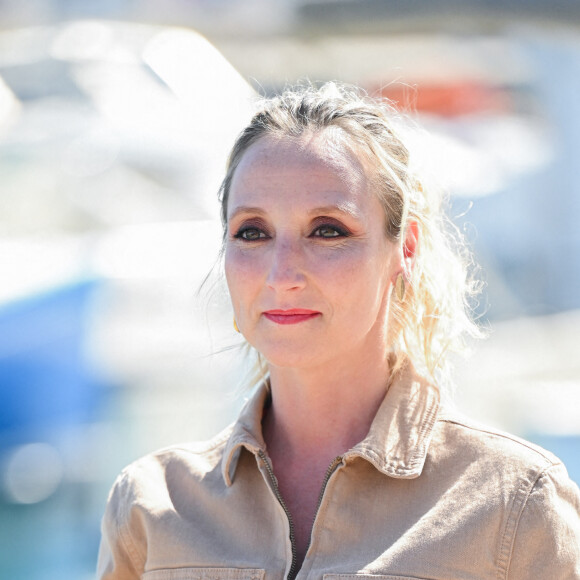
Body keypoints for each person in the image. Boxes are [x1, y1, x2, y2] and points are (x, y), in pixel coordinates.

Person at [97, 83, 580, 579]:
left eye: (327, 230)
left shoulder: (516, 504)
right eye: (252, 232)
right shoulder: (150, 504)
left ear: (405, 249)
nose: (282, 274)